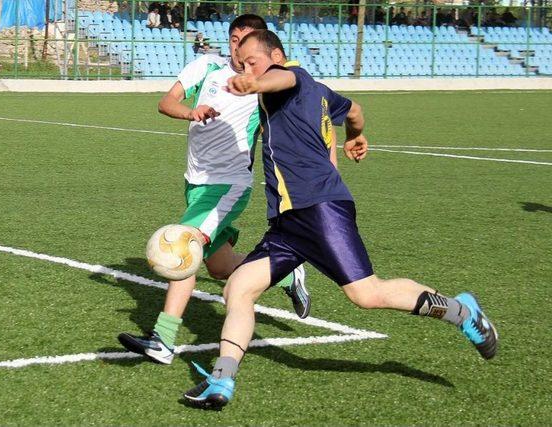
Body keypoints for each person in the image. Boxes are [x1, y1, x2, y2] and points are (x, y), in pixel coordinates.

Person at [182, 29, 498, 409]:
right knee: (238, 288)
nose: (246, 66)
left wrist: (254, 81)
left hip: (319, 208)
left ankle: (462, 310)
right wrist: (355, 136)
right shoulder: (320, 91)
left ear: (277, 56)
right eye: (243, 63)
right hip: (287, 221)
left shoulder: (294, 78)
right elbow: (355, 110)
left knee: (366, 294)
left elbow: (280, 77)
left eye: (253, 60)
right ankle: (222, 382)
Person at [117, 16, 311, 366]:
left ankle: (163, 338)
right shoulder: (206, 66)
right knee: (221, 268)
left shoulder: (264, 86)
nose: (238, 47)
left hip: (228, 184)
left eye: (246, 41)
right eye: (234, 39)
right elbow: (166, 102)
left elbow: (294, 112)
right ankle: (285, 272)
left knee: (184, 247)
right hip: (194, 182)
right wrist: (192, 112)